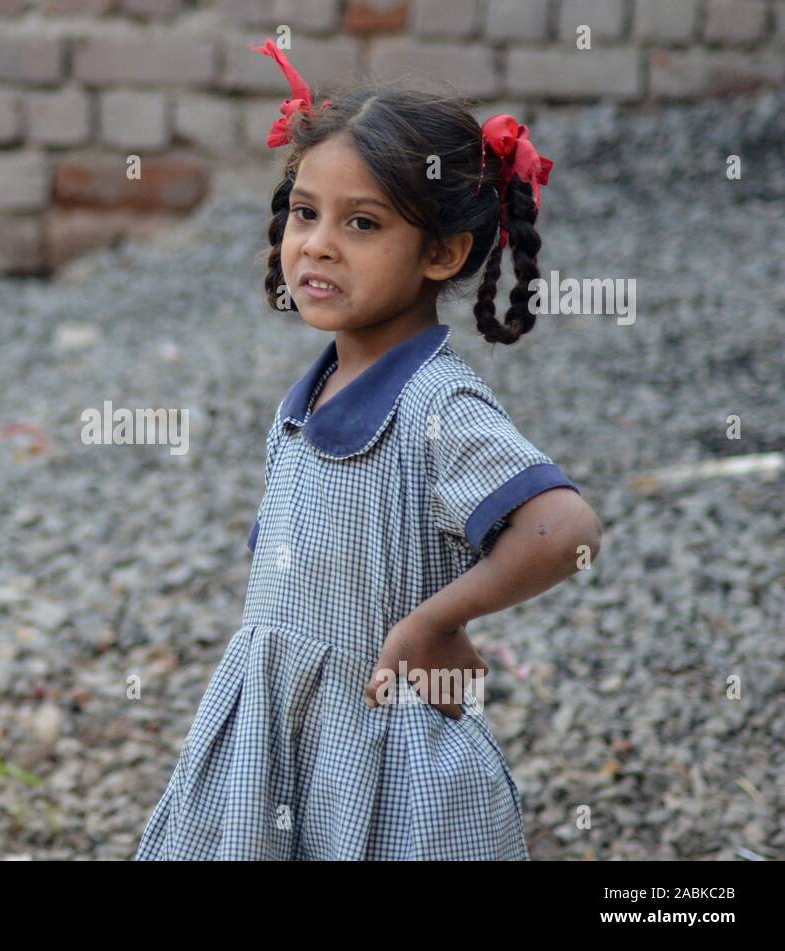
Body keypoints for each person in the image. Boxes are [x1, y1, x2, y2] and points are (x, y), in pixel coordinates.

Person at [134, 39, 603, 860]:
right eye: (305, 212)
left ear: (442, 253)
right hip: (281, 739)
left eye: (361, 223)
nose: (316, 243)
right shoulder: (311, 393)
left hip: (381, 758)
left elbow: (565, 528)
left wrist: (433, 623)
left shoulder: (435, 403)